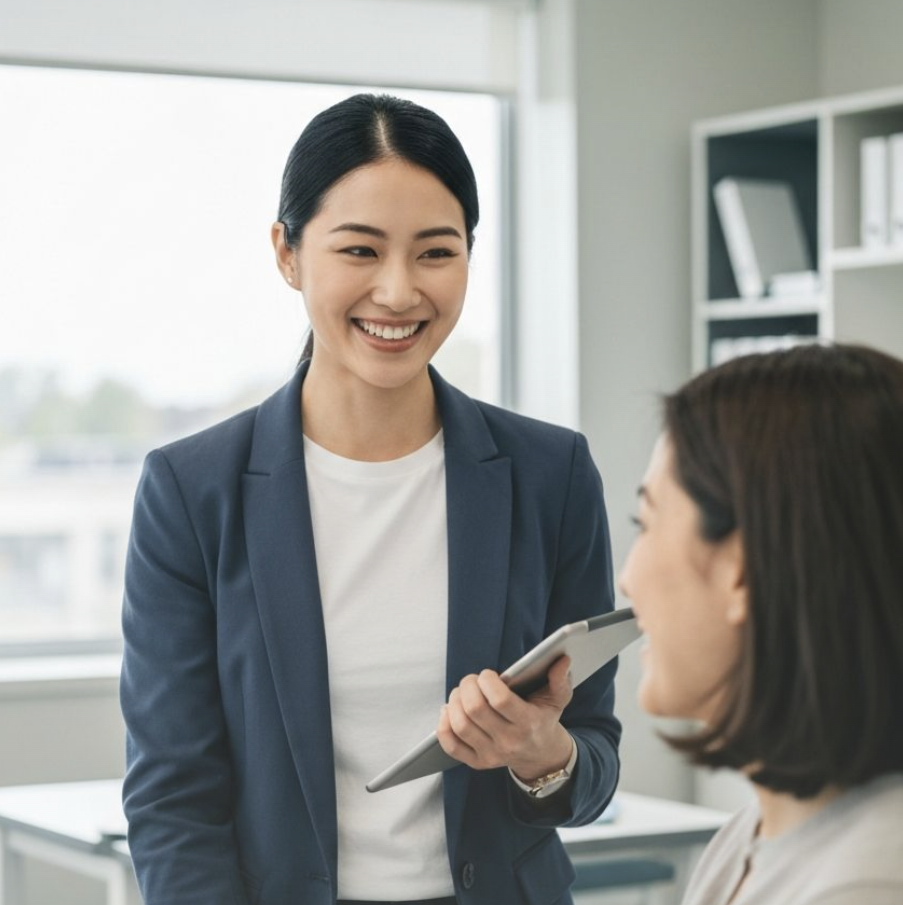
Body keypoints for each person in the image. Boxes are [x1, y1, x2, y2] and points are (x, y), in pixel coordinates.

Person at [120, 93, 621, 905]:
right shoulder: (191, 491)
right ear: (287, 252)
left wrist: (541, 751)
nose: (397, 292)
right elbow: (173, 800)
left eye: (434, 252)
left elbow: (592, 760)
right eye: (359, 249)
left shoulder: (549, 473)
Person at [619, 342, 903, 905]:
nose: (628, 579)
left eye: (644, 523)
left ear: (741, 573)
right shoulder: (750, 834)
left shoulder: (863, 885)